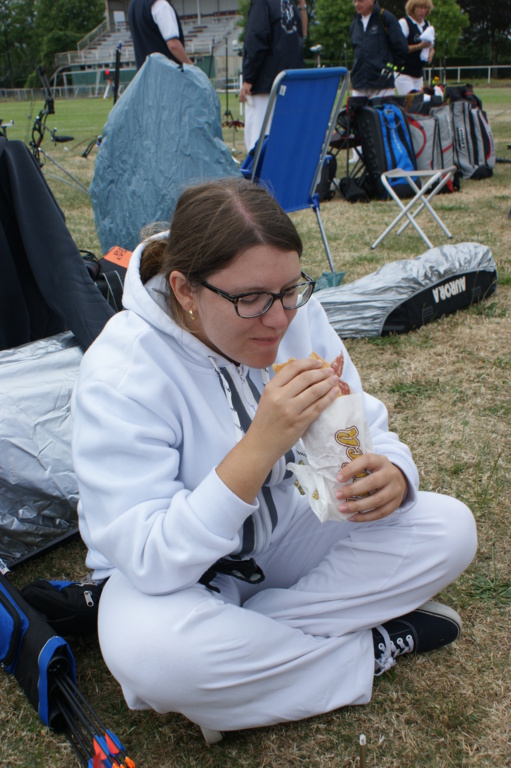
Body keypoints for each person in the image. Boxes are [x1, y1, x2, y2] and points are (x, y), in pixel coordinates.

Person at [72, 177, 477, 745]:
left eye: (290, 290)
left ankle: (246, 662)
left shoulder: (294, 313)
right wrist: (260, 445)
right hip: (172, 580)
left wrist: (390, 470)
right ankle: (367, 649)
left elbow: (363, 422)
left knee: (449, 528)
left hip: (284, 532)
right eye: (252, 299)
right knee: (151, 653)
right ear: (186, 291)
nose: (279, 319)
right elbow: (148, 558)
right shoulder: (120, 373)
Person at [240, 0, 307, 152]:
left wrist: (248, 78)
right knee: (283, 140)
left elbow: (256, 39)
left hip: (265, 84)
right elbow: (301, 34)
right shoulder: (289, 3)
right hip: (289, 82)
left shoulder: (262, 2)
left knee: (258, 140)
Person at [350, 0, 408, 98]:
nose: (357, 4)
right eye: (354, 1)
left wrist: (388, 67)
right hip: (359, 85)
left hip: (382, 85)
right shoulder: (355, 21)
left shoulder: (385, 17)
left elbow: (401, 47)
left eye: (361, 0)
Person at [128, 0, 193, 70]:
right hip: (166, 73)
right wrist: (191, 68)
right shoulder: (161, 4)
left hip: (145, 73)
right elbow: (173, 45)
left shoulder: (133, 5)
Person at [395, 0, 435, 95]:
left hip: (418, 74)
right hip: (404, 73)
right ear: (412, 8)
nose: (423, 11)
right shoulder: (404, 23)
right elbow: (400, 48)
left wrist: (431, 52)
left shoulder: (427, 24)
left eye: (425, 8)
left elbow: (430, 45)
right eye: (420, 8)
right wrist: (419, 46)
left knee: (419, 102)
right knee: (411, 100)